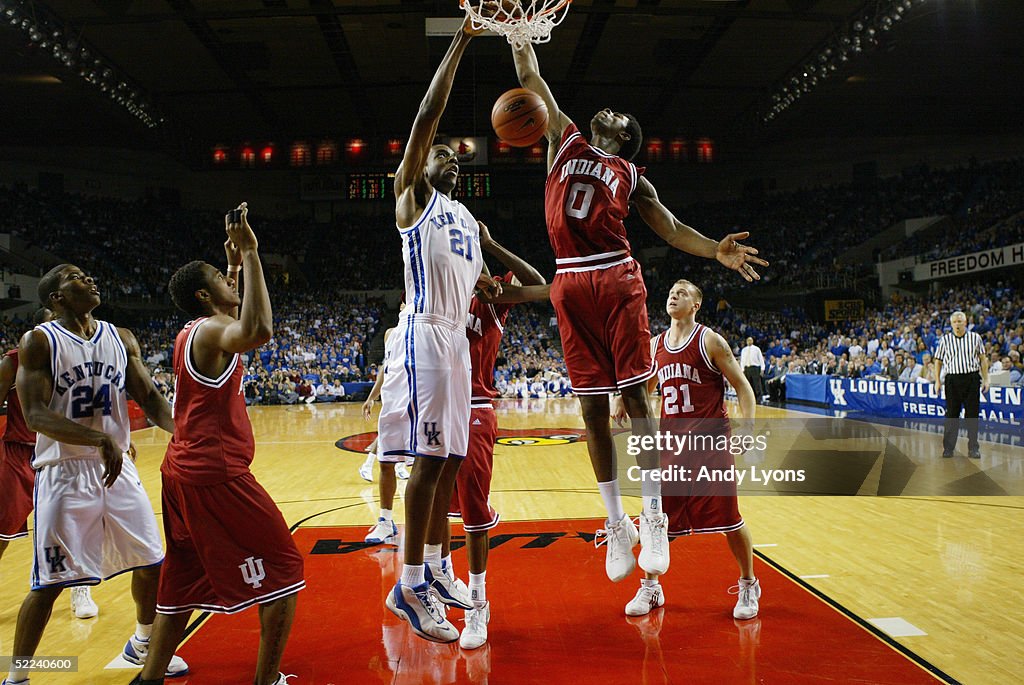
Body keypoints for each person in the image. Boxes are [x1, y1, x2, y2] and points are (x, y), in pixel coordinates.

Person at [510, 40, 767, 585]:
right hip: (569, 278)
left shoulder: (630, 173)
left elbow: (671, 229)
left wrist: (712, 250)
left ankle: (652, 512)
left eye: (618, 116)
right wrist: (517, 33)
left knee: (632, 394)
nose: (606, 110)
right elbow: (530, 76)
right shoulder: (564, 136)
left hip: (615, 273)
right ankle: (616, 520)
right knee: (591, 413)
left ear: (625, 136)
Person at [132, 205, 304, 685]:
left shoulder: (194, 330)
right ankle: (266, 680)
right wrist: (251, 252)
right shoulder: (211, 331)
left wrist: (230, 266)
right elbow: (258, 330)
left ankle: (150, 678)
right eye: (221, 278)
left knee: (183, 581)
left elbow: (231, 313)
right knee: (285, 569)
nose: (231, 284)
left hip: (181, 471)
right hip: (215, 474)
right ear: (206, 294)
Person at [5, 265, 187, 685]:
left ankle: (142, 642)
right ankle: (16, 676)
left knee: (151, 559)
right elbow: (34, 414)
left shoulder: (120, 337)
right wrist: (96, 439)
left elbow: (150, 396)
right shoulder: (39, 341)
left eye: (88, 275)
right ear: (56, 297)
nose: (89, 279)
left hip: (117, 466)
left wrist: (183, 432)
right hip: (64, 471)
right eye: (75, 277)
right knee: (48, 583)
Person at [381, 16, 498, 644]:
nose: (448, 154)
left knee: (450, 460)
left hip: (456, 342)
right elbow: (428, 115)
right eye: (438, 150)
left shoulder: (468, 222)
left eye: (456, 152)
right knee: (427, 462)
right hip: (423, 335)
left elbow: (492, 286)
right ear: (420, 161)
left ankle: (435, 567)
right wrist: (461, 41)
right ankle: (409, 584)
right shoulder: (413, 199)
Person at [612, 280, 761, 620]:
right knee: (658, 521)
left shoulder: (710, 340)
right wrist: (623, 397)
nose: (673, 295)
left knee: (729, 519)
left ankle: (749, 583)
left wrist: (748, 428)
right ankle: (651, 587)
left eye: (682, 292)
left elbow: (743, 387)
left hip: (711, 446)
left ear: (696, 304)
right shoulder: (654, 346)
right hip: (672, 446)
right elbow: (645, 388)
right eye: (671, 292)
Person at [450, 221, 550, 649]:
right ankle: (436, 586)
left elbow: (540, 285)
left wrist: (492, 243)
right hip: (437, 407)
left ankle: (478, 602)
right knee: (435, 509)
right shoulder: (435, 294)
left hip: (474, 407)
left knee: (473, 512)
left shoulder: (491, 297)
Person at [0, 309, 102, 619]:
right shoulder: (15, 360)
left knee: (76, 524)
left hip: (65, 452)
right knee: (2, 531)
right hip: (20, 454)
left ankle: (80, 589)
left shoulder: (84, 359)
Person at [933, 311, 988, 459]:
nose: (957, 324)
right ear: (951, 324)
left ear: (965, 323)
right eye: (955, 322)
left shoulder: (975, 338)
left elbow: (983, 358)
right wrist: (937, 380)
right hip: (952, 380)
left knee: (972, 415)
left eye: (960, 321)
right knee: (951, 415)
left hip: (971, 378)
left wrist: (987, 379)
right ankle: (948, 448)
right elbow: (938, 361)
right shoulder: (945, 340)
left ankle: (973, 448)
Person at [739, 337, 765, 403]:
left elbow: (761, 359)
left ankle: (759, 399)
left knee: (757, 384)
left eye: (750, 340)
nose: (749, 341)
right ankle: (750, 399)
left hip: (755, 368)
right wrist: (742, 369)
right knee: (749, 385)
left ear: (752, 341)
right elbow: (742, 361)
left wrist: (762, 369)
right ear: (746, 341)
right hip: (747, 368)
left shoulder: (757, 349)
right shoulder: (744, 350)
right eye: (748, 340)